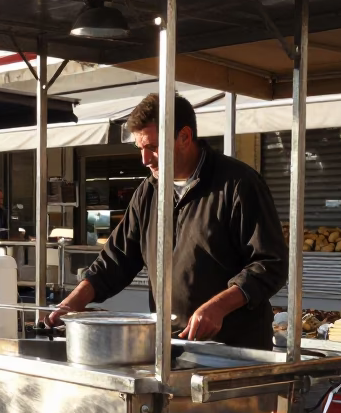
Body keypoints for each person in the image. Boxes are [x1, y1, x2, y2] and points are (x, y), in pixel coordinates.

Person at [48, 93, 289, 348]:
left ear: (184, 137)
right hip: (170, 346)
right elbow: (115, 260)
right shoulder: (148, 192)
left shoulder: (238, 184)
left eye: (153, 147)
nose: (144, 159)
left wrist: (218, 307)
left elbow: (270, 263)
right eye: (140, 149)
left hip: (236, 350)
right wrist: (70, 304)